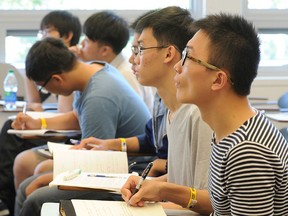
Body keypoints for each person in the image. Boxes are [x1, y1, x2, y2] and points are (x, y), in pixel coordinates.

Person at [16, 6, 212, 216]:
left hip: (151, 179)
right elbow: (166, 161)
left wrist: (156, 187)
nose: (132, 59)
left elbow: (203, 199)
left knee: (40, 195)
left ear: (168, 53)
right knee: (37, 181)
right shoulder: (166, 101)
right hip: (152, 181)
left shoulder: (194, 112)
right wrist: (113, 146)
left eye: (139, 49)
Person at [122, 13, 288, 215]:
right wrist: (161, 188)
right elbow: (219, 199)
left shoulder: (246, 150)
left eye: (188, 58)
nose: (177, 66)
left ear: (218, 80)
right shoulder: (227, 131)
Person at [11, 37, 150, 216]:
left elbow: (94, 161)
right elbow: (77, 117)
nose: (48, 92)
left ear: (57, 79)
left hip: (129, 165)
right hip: (109, 155)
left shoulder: (98, 97)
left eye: (44, 88)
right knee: (25, 164)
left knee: (30, 187)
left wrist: (48, 178)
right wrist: (38, 123)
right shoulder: (93, 70)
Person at [0, 10, 82, 216]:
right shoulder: (52, 65)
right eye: (41, 33)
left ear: (67, 35)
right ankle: (4, 201)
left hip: (70, 137)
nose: (43, 36)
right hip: (62, 129)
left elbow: (70, 118)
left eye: (47, 31)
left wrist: (40, 124)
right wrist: (32, 67)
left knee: (12, 135)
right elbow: (34, 104)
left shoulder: (71, 66)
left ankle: (4, 201)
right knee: (12, 127)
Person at [70, 11, 155, 113]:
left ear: (105, 50)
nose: (81, 44)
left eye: (87, 40)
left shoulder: (127, 74)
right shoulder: (107, 70)